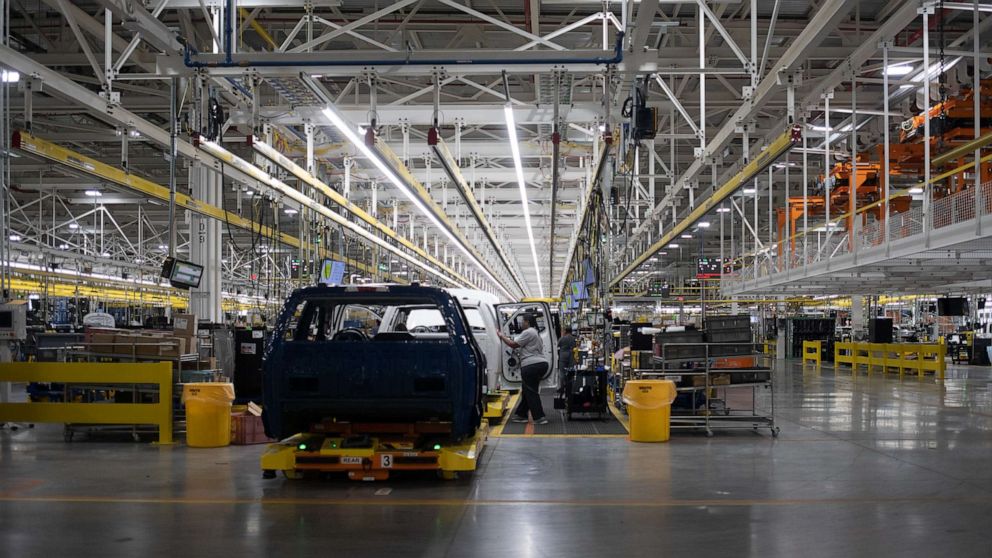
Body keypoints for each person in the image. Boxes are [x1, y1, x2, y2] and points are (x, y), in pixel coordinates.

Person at [497, 314, 549, 425]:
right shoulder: (535, 333)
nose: (521, 324)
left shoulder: (528, 332)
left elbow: (513, 344)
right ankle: (520, 415)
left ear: (527, 322)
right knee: (527, 391)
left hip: (531, 365)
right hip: (541, 364)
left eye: (522, 321)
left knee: (531, 392)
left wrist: (501, 336)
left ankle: (539, 417)